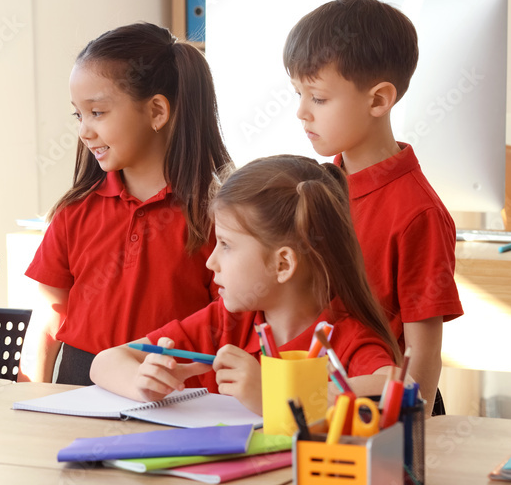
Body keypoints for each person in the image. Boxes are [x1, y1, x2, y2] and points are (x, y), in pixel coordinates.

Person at [91, 155, 399, 414]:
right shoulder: (226, 323)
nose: (211, 261)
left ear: (282, 264)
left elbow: (397, 385)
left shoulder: (345, 338)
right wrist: (143, 383)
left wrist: (274, 395)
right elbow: (105, 362)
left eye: (225, 244)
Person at [21, 22, 232, 385]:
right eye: (78, 115)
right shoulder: (73, 212)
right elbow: (47, 322)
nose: (84, 131)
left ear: (156, 112)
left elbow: (230, 326)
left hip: (174, 392)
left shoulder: (218, 216)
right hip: (78, 389)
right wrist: (30, 401)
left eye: (97, 112)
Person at [283, 0, 462, 412]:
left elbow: (422, 359)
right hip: (320, 397)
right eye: (297, 94)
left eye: (318, 98)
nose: (301, 112)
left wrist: (409, 431)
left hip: (386, 410)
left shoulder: (418, 213)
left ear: (379, 100)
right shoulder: (316, 187)